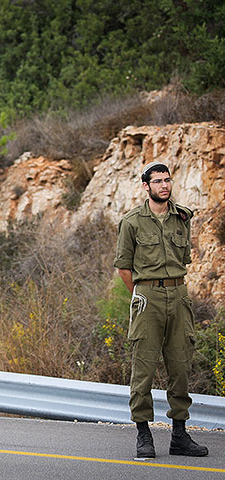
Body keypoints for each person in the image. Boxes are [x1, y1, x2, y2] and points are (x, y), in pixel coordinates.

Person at [114, 161, 209, 459]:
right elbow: (124, 268)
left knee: (180, 365)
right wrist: (143, 295)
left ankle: (179, 435)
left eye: (167, 180)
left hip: (179, 295)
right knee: (143, 366)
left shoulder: (182, 218)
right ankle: (144, 435)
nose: (164, 186)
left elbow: (185, 259)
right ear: (146, 186)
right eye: (157, 182)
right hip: (147, 297)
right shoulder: (131, 222)